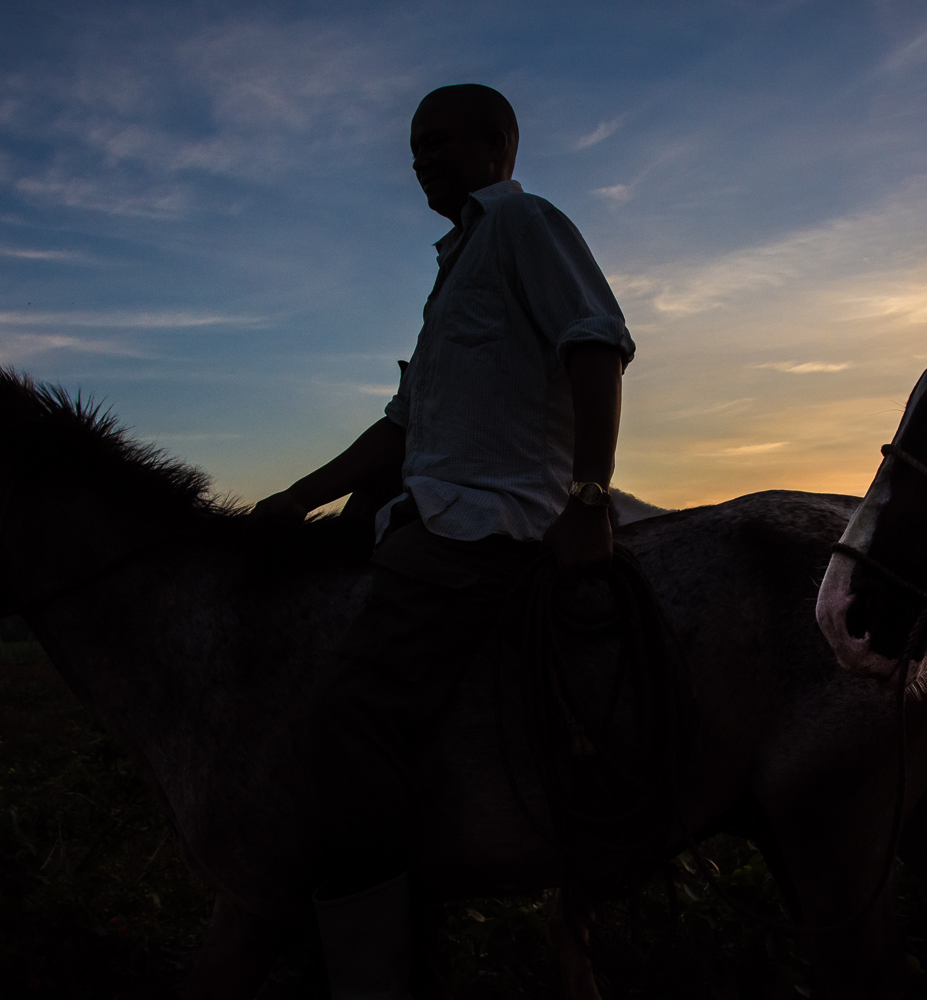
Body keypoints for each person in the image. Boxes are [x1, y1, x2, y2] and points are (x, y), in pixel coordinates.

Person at [253, 84, 634, 998]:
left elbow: (597, 342)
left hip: (488, 524)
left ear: (498, 146)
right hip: (428, 513)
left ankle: (377, 975)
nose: (421, 159)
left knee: (347, 721)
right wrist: (297, 498)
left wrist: (587, 496)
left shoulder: (522, 223)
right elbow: (402, 427)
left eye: (441, 141)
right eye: (414, 147)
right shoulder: (455, 267)